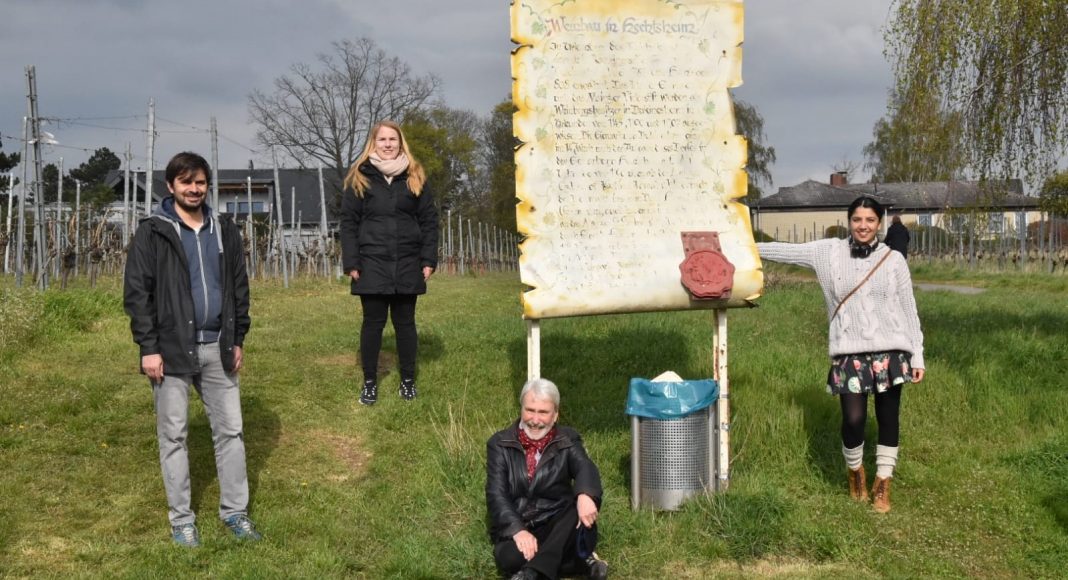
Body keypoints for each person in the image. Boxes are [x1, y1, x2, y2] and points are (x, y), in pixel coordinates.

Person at [123, 151, 261, 547]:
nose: (194, 189)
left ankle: (235, 512)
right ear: (171, 186)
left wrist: (237, 338)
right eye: (186, 182)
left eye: (200, 182)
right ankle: (182, 520)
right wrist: (149, 348)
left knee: (231, 432)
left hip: (218, 346)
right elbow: (137, 294)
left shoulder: (224, 229)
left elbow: (238, 287)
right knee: (174, 436)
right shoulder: (153, 232)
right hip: (170, 349)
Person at [756, 196, 925, 513]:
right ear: (849, 221)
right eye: (857, 219)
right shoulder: (828, 252)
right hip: (849, 352)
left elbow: (908, 309)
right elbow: (784, 251)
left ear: (879, 223)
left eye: (870, 220)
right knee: (853, 419)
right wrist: (742, 246)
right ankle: (855, 471)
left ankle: (883, 482)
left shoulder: (894, 260)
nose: (863, 226)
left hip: (891, 350)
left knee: (888, 417)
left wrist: (917, 355)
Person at [340, 120, 439, 405]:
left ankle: (407, 381)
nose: (387, 144)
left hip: (407, 261)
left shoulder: (415, 175)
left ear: (400, 142)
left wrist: (428, 258)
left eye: (392, 139)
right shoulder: (360, 176)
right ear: (373, 143)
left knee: (405, 324)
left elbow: (429, 221)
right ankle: (370, 382)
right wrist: (352, 261)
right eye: (382, 139)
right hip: (371, 262)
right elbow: (348, 222)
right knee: (372, 324)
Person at [486, 379, 609, 580]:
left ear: (555, 414)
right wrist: (518, 530)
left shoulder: (568, 439)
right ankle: (581, 562)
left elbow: (584, 466)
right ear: (521, 408)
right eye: (530, 410)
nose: (535, 419)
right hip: (520, 522)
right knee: (510, 558)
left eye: (543, 412)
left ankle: (532, 572)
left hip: (559, 523)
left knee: (577, 513)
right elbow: (496, 494)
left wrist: (586, 494)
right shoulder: (499, 443)